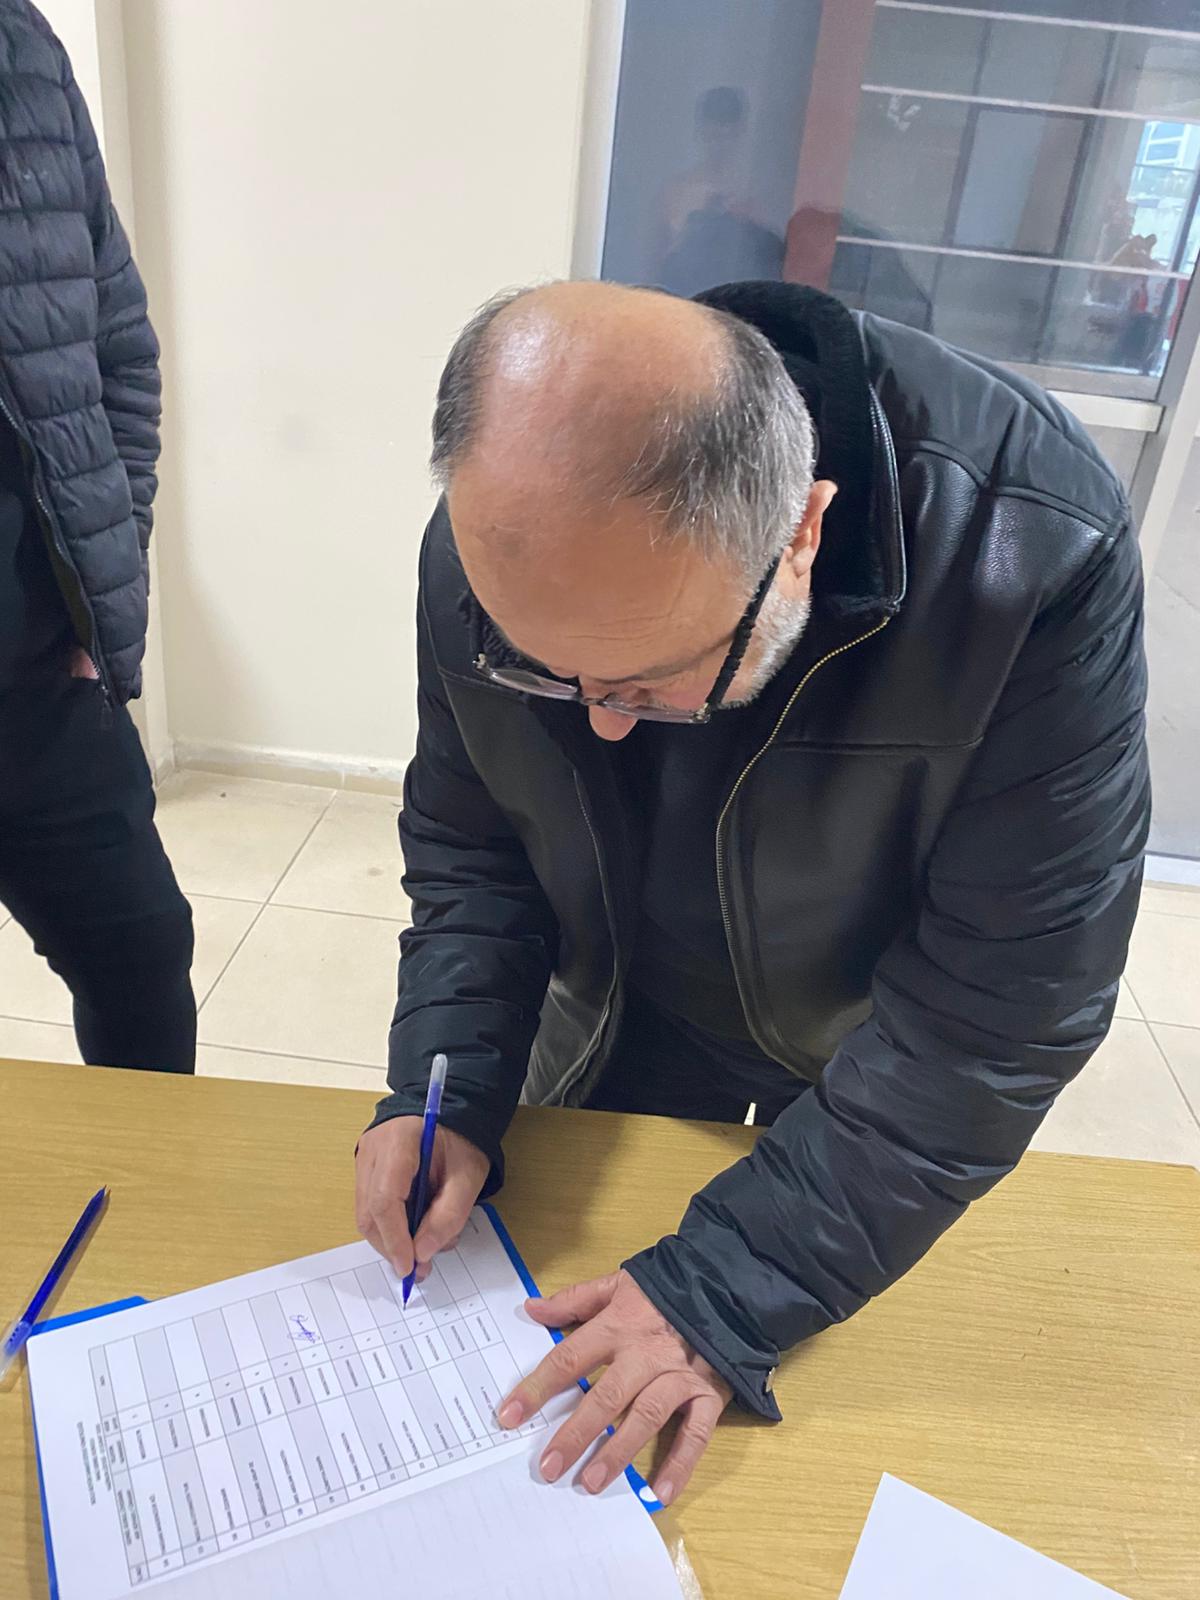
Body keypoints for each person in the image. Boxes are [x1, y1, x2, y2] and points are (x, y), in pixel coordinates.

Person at [356, 279, 1149, 1506]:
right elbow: (476, 853)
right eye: (547, 674)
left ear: (804, 534)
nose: (602, 723)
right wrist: (443, 1081)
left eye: (646, 681)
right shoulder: (501, 538)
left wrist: (720, 1294)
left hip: (861, 1047)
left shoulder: (1034, 546)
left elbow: (996, 1016)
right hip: (616, 999)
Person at [0, 2, 194, 1073]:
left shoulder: (22, 46)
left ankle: (150, 1180)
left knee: (142, 953)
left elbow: (119, 350)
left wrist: (107, 589)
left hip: (42, 679)